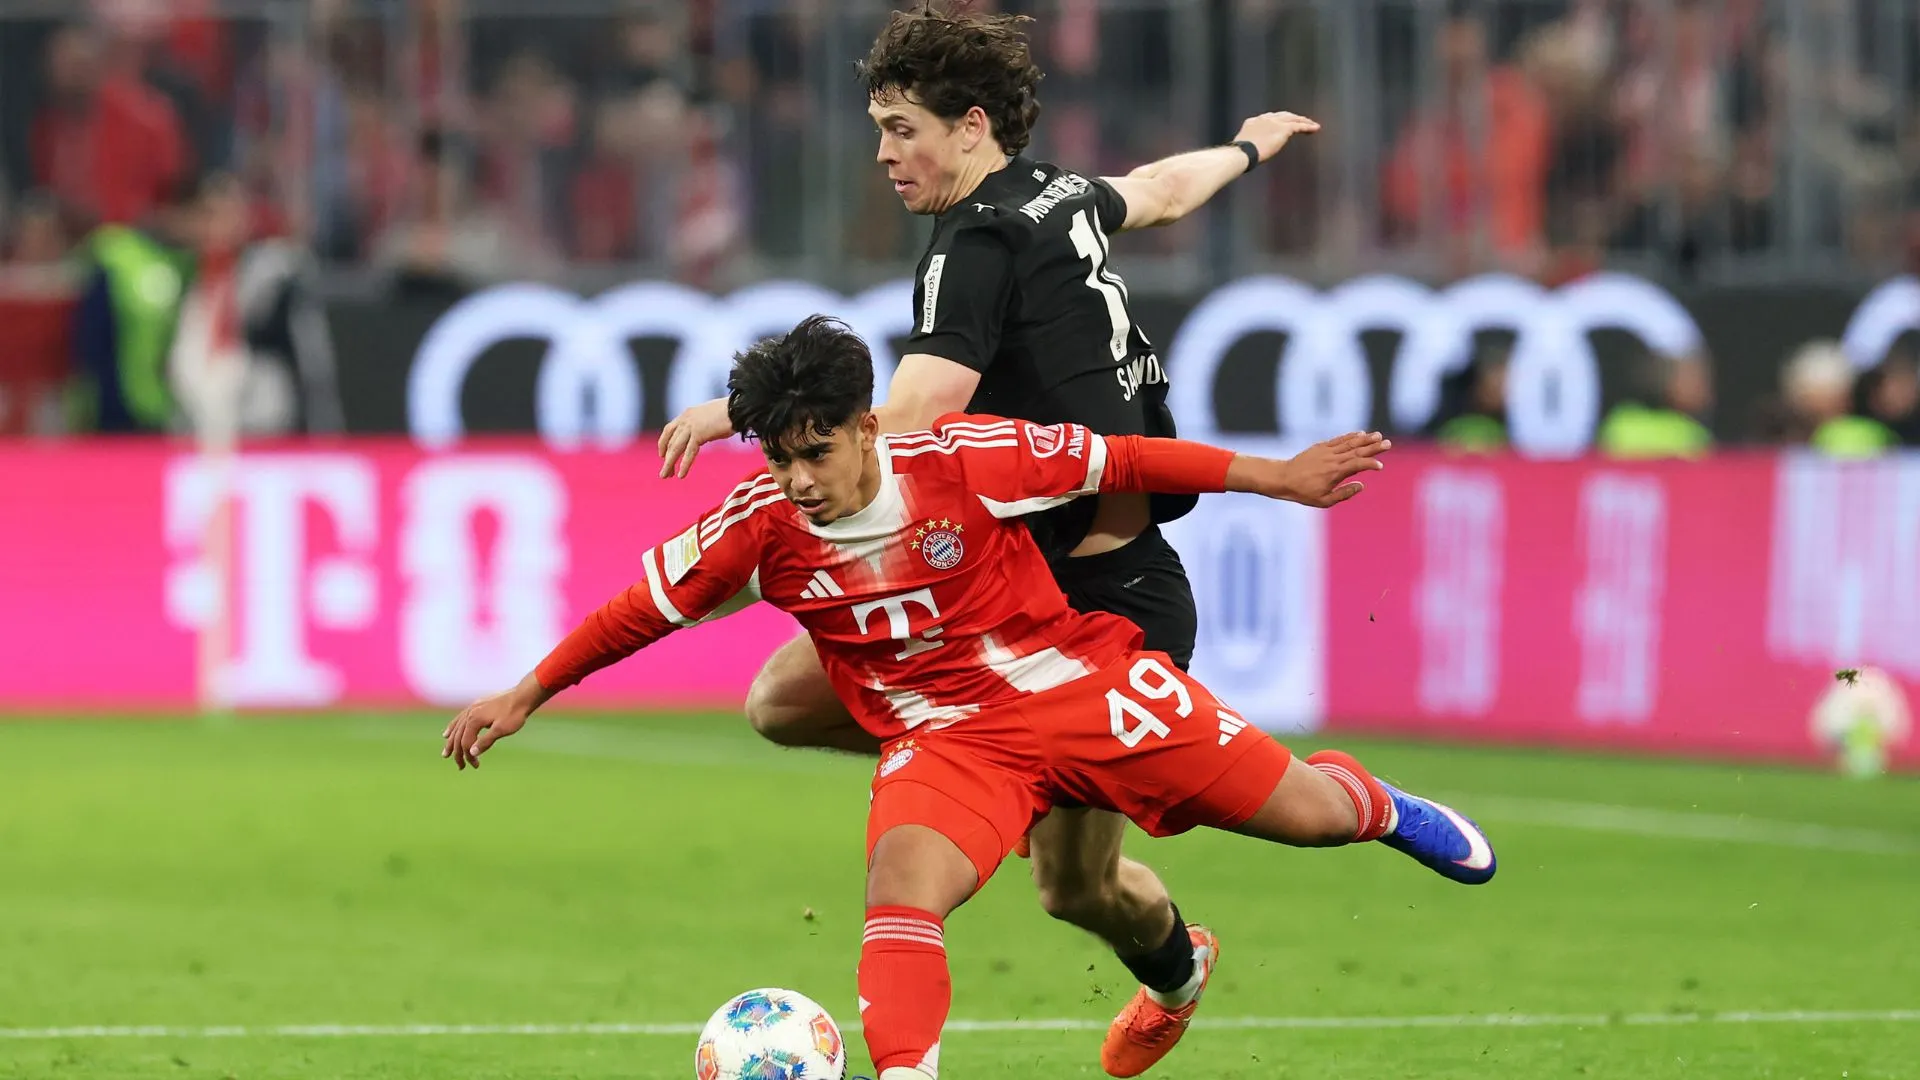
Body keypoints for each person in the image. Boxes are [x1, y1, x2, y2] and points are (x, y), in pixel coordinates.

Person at [444, 317, 1498, 1080]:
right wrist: (525, 693)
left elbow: (1122, 455)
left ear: (866, 426)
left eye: (817, 452)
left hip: (1081, 684)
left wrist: (1276, 477)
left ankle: (1372, 803)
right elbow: (643, 608)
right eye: (779, 456)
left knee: (1307, 820)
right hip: (949, 739)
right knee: (902, 887)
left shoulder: (965, 458)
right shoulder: (757, 523)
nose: (800, 479)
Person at [653, 6, 1320, 1071]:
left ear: (970, 127)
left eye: (901, 128)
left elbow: (913, 410)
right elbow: (1159, 189)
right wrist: (1248, 146)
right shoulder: (1058, 195)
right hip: (1006, 592)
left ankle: (1179, 968)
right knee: (779, 699)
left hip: (1105, 594)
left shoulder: (972, 244)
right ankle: (984, 760)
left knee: (1075, 888)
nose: (883, 153)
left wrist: (754, 411)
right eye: (879, 127)